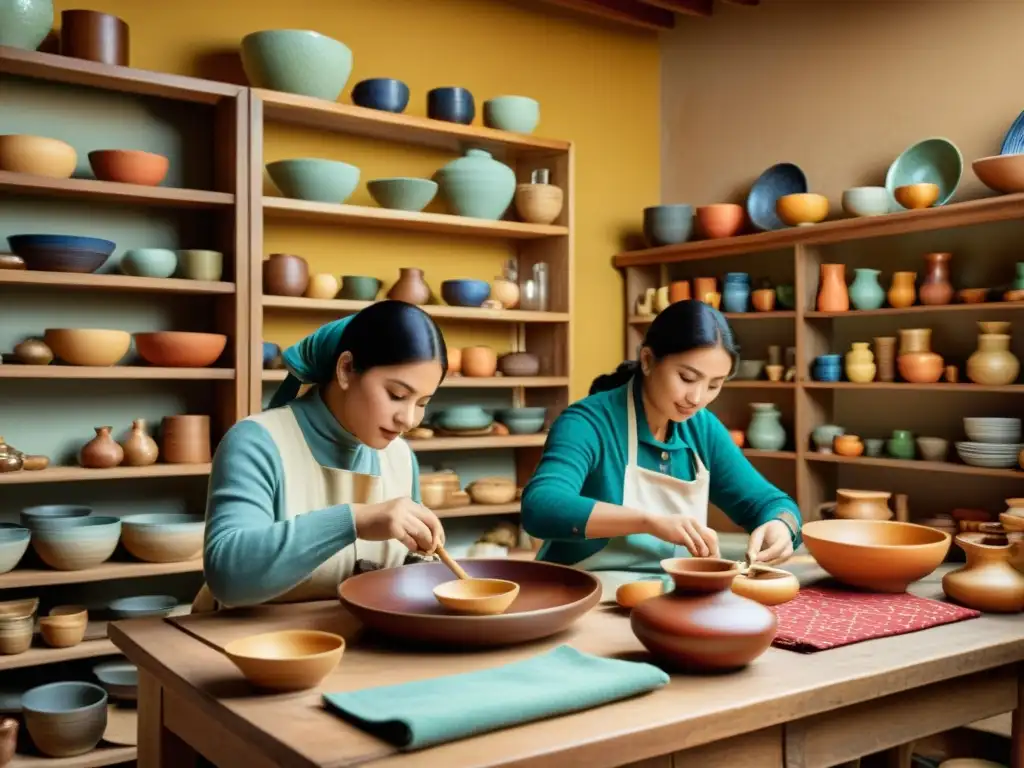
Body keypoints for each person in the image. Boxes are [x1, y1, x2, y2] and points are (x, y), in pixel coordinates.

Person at [520, 299, 801, 598]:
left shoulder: (701, 428)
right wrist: (647, 521)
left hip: (666, 595)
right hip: (577, 594)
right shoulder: (588, 422)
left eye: (714, 385)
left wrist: (780, 526)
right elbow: (540, 506)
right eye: (687, 378)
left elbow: (770, 503)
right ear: (648, 360)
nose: (697, 398)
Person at [192, 301, 448, 612]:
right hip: (248, 650)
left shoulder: (401, 457)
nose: (408, 419)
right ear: (345, 369)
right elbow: (228, 576)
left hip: (362, 649)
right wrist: (356, 520)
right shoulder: (257, 442)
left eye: (422, 403)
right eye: (397, 395)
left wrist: (424, 563)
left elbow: (405, 574)